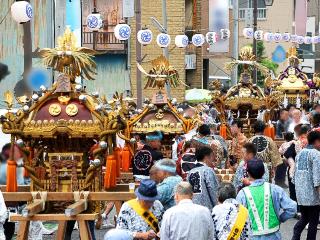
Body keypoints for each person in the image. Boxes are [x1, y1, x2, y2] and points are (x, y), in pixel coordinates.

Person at [237, 159, 297, 240]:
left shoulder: (242, 194)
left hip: (252, 236)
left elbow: (238, 218)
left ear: (248, 173)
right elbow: (292, 207)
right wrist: (280, 218)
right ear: (264, 172)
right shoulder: (275, 189)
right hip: (273, 235)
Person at [292, 131, 320, 240]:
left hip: (301, 194)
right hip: (313, 195)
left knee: (304, 218)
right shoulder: (316, 154)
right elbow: (317, 178)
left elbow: (294, 176)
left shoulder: (300, 153)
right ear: (317, 141)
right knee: (313, 221)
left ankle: (295, 236)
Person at [187, 146, 220, 210]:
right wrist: (217, 207)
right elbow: (213, 190)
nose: (213, 159)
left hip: (193, 208)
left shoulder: (190, 172)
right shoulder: (208, 170)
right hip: (206, 209)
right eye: (212, 156)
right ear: (206, 157)